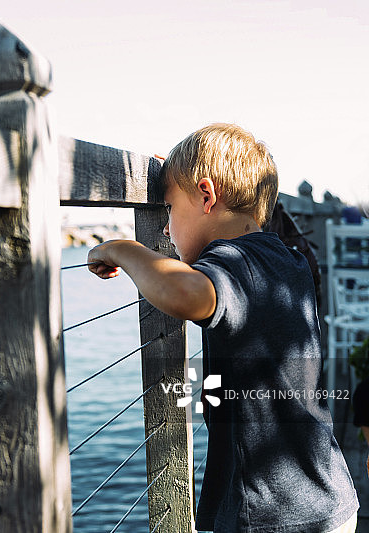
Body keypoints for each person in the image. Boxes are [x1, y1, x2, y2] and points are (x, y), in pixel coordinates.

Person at [87, 123, 359, 532]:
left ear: (207, 195)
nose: (165, 229)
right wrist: (180, 181)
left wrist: (122, 249)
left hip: (275, 516)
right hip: (326, 497)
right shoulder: (287, 260)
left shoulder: (235, 262)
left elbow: (185, 294)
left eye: (170, 210)